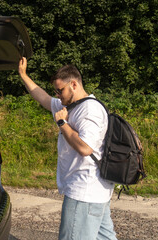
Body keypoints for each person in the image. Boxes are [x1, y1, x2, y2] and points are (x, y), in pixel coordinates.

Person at [18, 57, 117, 240]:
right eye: (56, 90)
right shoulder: (70, 105)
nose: (57, 94)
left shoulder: (89, 110)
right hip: (93, 193)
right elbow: (44, 98)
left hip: (84, 192)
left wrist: (62, 123)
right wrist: (23, 75)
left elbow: (85, 148)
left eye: (60, 90)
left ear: (73, 84)